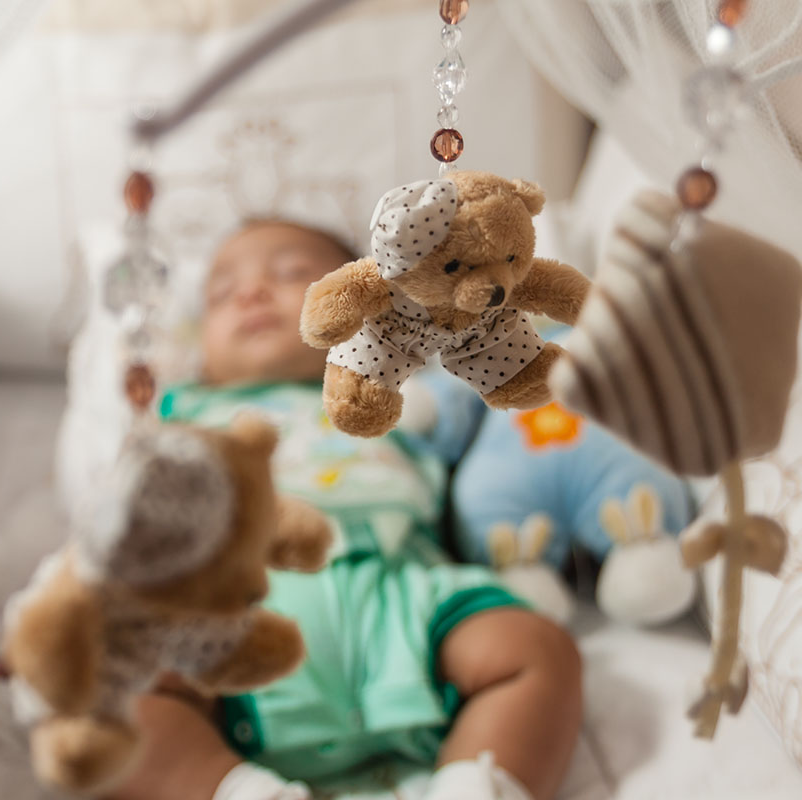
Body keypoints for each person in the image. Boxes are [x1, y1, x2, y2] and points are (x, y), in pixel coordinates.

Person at [107, 219, 582, 800]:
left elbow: (499, 408)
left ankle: (473, 787)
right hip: (230, 616)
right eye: (222, 294)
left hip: (400, 594)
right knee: (113, 689)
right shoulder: (179, 411)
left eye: (291, 274)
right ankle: (238, 791)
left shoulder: (401, 394)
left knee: (537, 650)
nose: (251, 294)